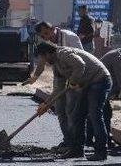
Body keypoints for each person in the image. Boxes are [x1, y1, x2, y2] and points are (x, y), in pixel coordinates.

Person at [35, 42, 112, 161]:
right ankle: (77, 150)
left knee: (95, 114)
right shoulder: (57, 65)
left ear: (47, 53)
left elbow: (80, 65)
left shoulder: (64, 53)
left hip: (99, 80)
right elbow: (58, 90)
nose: (44, 61)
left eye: (43, 57)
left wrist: (73, 80)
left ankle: (101, 151)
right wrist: (46, 104)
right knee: (77, 115)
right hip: (86, 84)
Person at [24, 21, 83, 151]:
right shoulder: (46, 43)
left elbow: (81, 60)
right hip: (59, 75)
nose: (46, 37)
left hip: (74, 77)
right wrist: (35, 76)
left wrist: (74, 80)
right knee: (60, 109)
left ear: (53, 29)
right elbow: (42, 61)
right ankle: (67, 141)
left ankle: (75, 143)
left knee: (71, 110)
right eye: (43, 36)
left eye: (46, 33)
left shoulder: (70, 37)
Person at [86, 48, 121, 148]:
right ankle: (102, 142)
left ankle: (90, 139)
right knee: (101, 113)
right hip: (98, 84)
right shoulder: (117, 57)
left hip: (102, 85)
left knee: (99, 112)